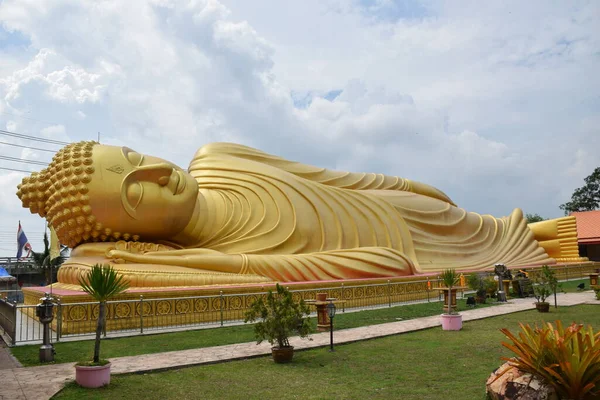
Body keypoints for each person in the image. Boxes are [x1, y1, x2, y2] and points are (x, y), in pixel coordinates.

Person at [17, 141, 572, 288]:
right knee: (506, 245)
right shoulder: (223, 258)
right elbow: (381, 264)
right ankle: (541, 238)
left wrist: (406, 184)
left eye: (137, 159)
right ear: (130, 233)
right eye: (138, 195)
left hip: (393, 206)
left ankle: (530, 232)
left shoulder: (217, 157)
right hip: (407, 249)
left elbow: (331, 177)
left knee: (487, 225)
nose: (158, 175)